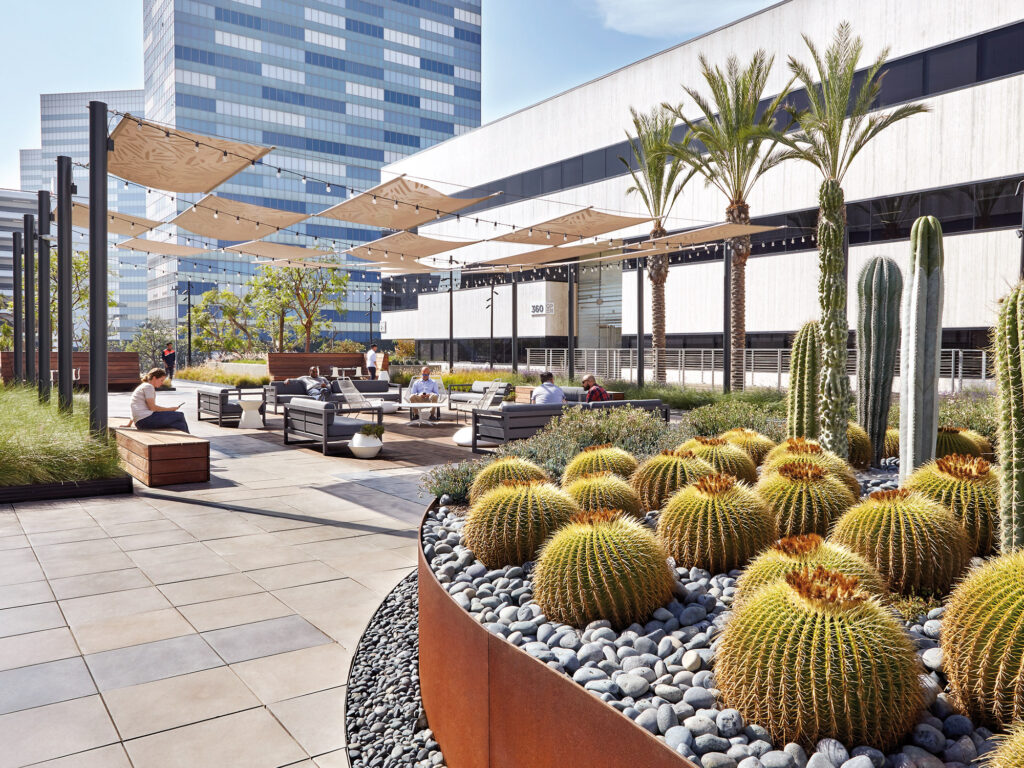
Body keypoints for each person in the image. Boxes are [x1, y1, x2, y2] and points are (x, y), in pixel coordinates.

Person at [130, 368, 189, 432]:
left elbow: (136, 406)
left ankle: (186, 440)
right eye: (161, 380)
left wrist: (129, 424)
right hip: (145, 420)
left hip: (140, 422)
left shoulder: (143, 386)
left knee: (180, 424)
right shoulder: (148, 387)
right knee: (180, 415)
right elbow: (153, 408)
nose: (162, 383)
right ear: (154, 378)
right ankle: (190, 440)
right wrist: (170, 409)